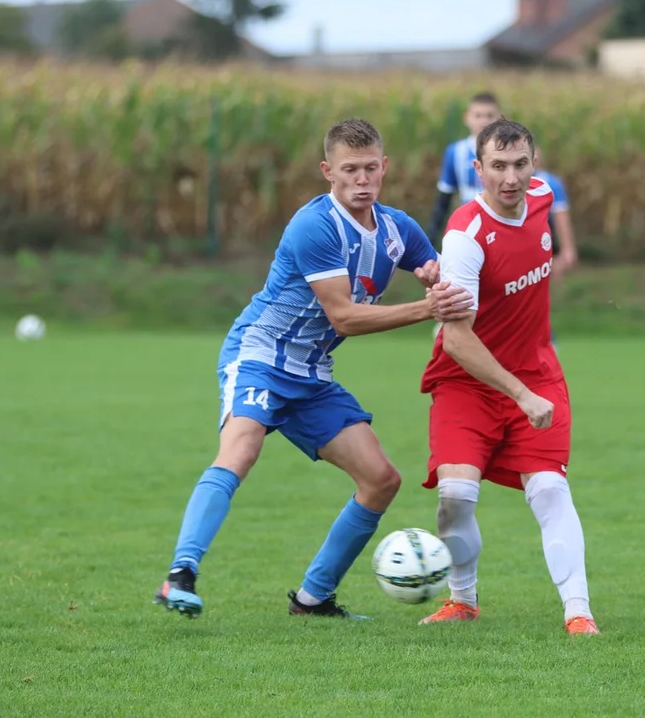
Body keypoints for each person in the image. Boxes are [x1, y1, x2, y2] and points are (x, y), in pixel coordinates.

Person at [152, 118, 473, 620]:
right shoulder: (315, 226)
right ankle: (180, 576)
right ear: (328, 171)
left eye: (371, 168)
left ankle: (313, 599)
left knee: (381, 479)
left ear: (384, 167)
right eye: (350, 170)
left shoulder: (397, 229)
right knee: (241, 450)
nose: (362, 179)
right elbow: (343, 315)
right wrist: (426, 309)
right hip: (259, 356)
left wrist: (432, 272)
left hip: (311, 375)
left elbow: (429, 266)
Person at [416, 118, 598, 635]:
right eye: (497, 166)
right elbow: (456, 337)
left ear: (535, 165)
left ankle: (578, 612)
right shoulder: (466, 236)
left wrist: (527, 387)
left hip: (536, 371)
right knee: (455, 496)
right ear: (478, 169)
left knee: (549, 489)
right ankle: (462, 599)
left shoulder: (542, 198)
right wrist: (519, 395)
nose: (510, 177)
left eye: (520, 164)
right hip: (466, 381)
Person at [427, 92, 503, 247]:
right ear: (467, 118)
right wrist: (431, 239)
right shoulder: (455, 152)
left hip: (502, 227)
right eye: (478, 115)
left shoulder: (508, 152)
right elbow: (443, 201)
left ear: (500, 118)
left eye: (489, 115)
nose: (484, 121)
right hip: (469, 229)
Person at [533, 145, 578, 347]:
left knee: (535, 302)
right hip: (509, 253)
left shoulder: (550, 183)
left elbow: (561, 219)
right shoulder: (504, 184)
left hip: (539, 255)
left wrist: (567, 251)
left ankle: (547, 346)